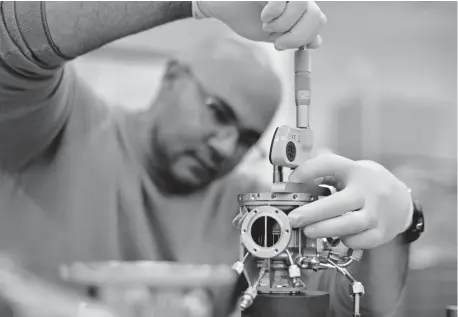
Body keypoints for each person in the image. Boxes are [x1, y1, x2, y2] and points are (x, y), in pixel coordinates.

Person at [0, 1, 422, 317]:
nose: (225, 147)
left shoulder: (250, 210)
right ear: (171, 78)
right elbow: (12, 40)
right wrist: (190, 1)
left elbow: (359, 308)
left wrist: (400, 219)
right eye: (219, 112)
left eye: (246, 138)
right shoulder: (60, 123)